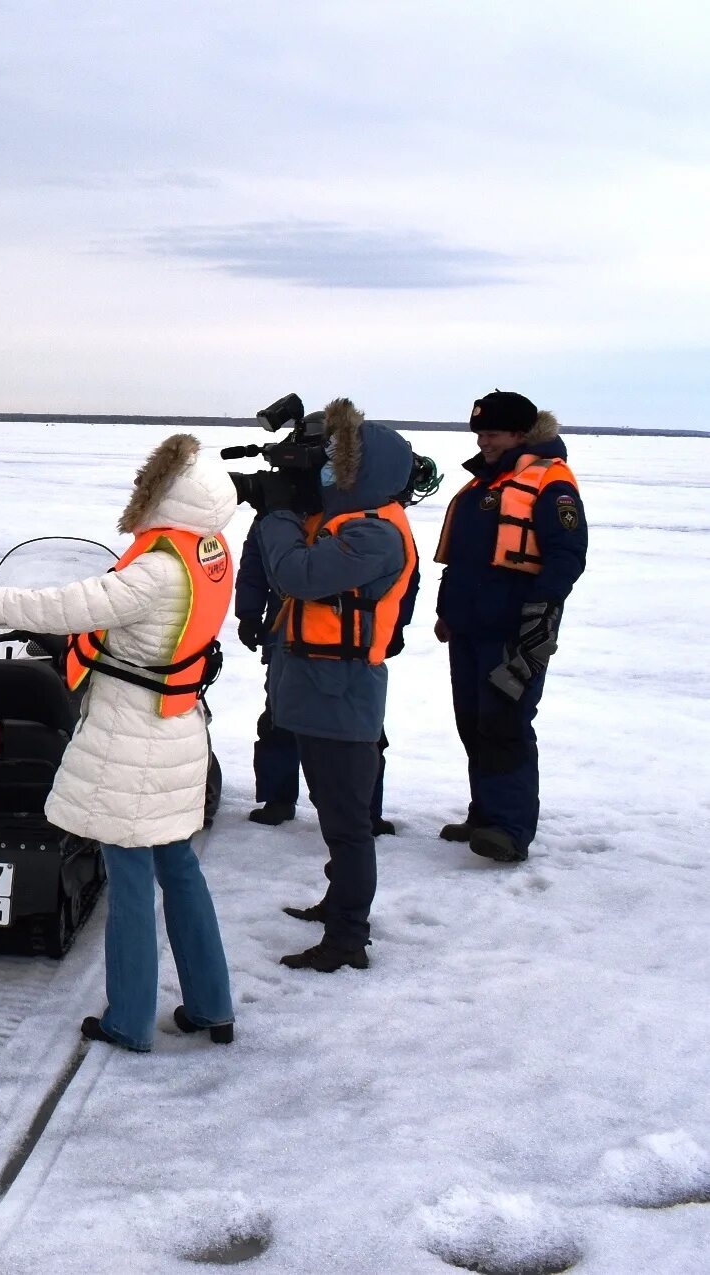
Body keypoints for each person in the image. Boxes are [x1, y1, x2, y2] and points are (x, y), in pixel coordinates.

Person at [0, 435, 238, 1051]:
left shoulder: (155, 570)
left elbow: (64, 606)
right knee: (179, 868)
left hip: (133, 739)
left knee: (129, 876)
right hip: (177, 727)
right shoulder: (207, 554)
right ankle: (213, 1005)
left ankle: (129, 1020)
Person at [256, 399, 418, 973]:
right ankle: (337, 905)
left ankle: (348, 938)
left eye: (335, 465)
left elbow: (296, 574)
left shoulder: (376, 535)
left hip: (342, 694)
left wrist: (277, 516)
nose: (325, 474)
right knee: (333, 814)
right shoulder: (352, 522)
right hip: (321, 688)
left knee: (349, 827)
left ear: (362, 473)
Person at [432, 391, 587, 864]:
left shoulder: (550, 483)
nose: (483, 441)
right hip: (471, 627)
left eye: (492, 434)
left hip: (515, 630)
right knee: (473, 722)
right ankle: (485, 813)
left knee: (506, 724)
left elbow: (567, 556)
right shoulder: (488, 482)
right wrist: (449, 612)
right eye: (479, 433)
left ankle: (510, 829)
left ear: (521, 434)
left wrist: (538, 617)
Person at [236, 522, 395, 834]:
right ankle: (278, 798)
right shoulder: (276, 514)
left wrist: (394, 627)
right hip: (287, 636)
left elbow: (401, 576)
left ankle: (365, 810)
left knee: (359, 729)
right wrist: (249, 613)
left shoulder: (357, 512)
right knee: (278, 719)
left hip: (351, 644)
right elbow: (254, 563)